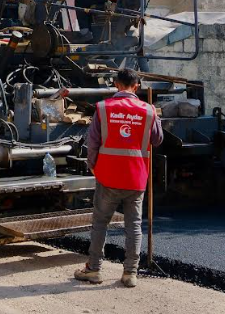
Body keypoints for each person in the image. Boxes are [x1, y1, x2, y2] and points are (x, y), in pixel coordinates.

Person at [75, 68, 162, 287]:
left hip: (108, 177)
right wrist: (153, 118)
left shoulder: (103, 109)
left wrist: (92, 166)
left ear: (116, 84)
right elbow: (158, 140)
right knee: (133, 226)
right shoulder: (149, 110)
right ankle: (130, 273)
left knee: (100, 223)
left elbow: (92, 142)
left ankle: (93, 270)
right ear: (137, 86)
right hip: (136, 177)